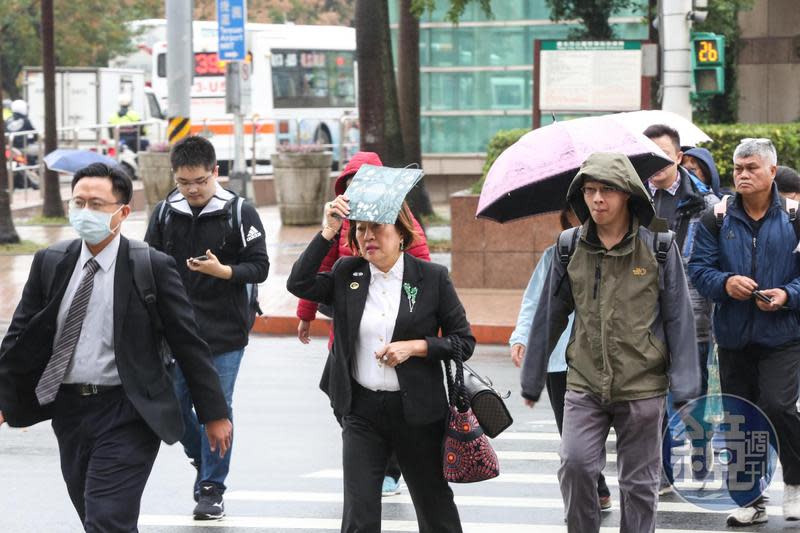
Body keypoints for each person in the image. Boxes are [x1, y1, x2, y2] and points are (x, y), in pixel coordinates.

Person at [0, 163, 232, 532]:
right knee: (96, 514)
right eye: (78, 203)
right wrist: (5, 398)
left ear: (123, 212)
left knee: (106, 518)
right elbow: (20, 338)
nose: (85, 212)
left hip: (128, 409)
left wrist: (214, 414)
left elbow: (188, 343)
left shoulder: (150, 266)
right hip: (69, 410)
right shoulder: (51, 262)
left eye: (96, 204)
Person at [521, 152, 701, 533]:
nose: (597, 199)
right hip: (585, 381)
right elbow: (550, 314)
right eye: (589, 190)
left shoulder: (659, 246)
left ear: (627, 194)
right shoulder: (570, 246)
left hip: (642, 385)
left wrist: (685, 386)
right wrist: (532, 375)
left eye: (606, 190)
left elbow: (678, 318)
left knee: (639, 485)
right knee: (576, 465)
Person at [287, 195, 475, 533]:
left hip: (416, 413)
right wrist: (328, 231)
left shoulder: (432, 278)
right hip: (361, 412)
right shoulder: (348, 273)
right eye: (360, 229)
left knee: (435, 511)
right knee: (359, 515)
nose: (367, 235)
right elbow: (298, 283)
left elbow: (463, 341)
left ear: (401, 232)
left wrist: (416, 347)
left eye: (377, 227)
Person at [144, 135, 269, 520]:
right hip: (176, 331)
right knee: (177, 408)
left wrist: (224, 271)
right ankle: (204, 460)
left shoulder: (239, 212)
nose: (193, 189)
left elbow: (260, 266)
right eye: (184, 182)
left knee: (218, 408)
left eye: (200, 180)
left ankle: (212, 489)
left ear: (216, 172)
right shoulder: (166, 211)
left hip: (224, 332)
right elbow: (145, 263)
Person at [296, 150, 430, 496]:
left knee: (396, 407)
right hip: (349, 334)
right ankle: (370, 458)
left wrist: (426, 327)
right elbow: (318, 270)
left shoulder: (402, 222)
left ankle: (390, 468)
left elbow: (424, 270)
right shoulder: (341, 226)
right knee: (344, 399)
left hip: (395, 334)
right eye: (353, 185)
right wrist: (305, 313)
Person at [689, 138, 800, 526]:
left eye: (752, 167)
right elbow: (698, 269)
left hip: (783, 335)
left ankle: (796, 482)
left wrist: (788, 294)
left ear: (772, 171)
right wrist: (725, 283)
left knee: (779, 405)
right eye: (738, 168)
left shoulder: (794, 217)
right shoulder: (716, 217)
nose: (743, 174)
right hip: (734, 336)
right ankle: (749, 498)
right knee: (740, 415)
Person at [510, 207, 612, 511]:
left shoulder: (622, 253)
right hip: (559, 361)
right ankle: (594, 489)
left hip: (604, 358)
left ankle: (596, 487)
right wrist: (521, 336)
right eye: (576, 210)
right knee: (570, 435)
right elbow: (534, 301)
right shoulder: (557, 254)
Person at [643, 125, 719, 491]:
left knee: (690, 394)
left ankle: (701, 447)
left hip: (692, 315)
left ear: (678, 156)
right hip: (646, 316)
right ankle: (664, 471)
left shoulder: (704, 204)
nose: (655, 163)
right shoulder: (635, 201)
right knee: (652, 397)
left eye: (662, 155)